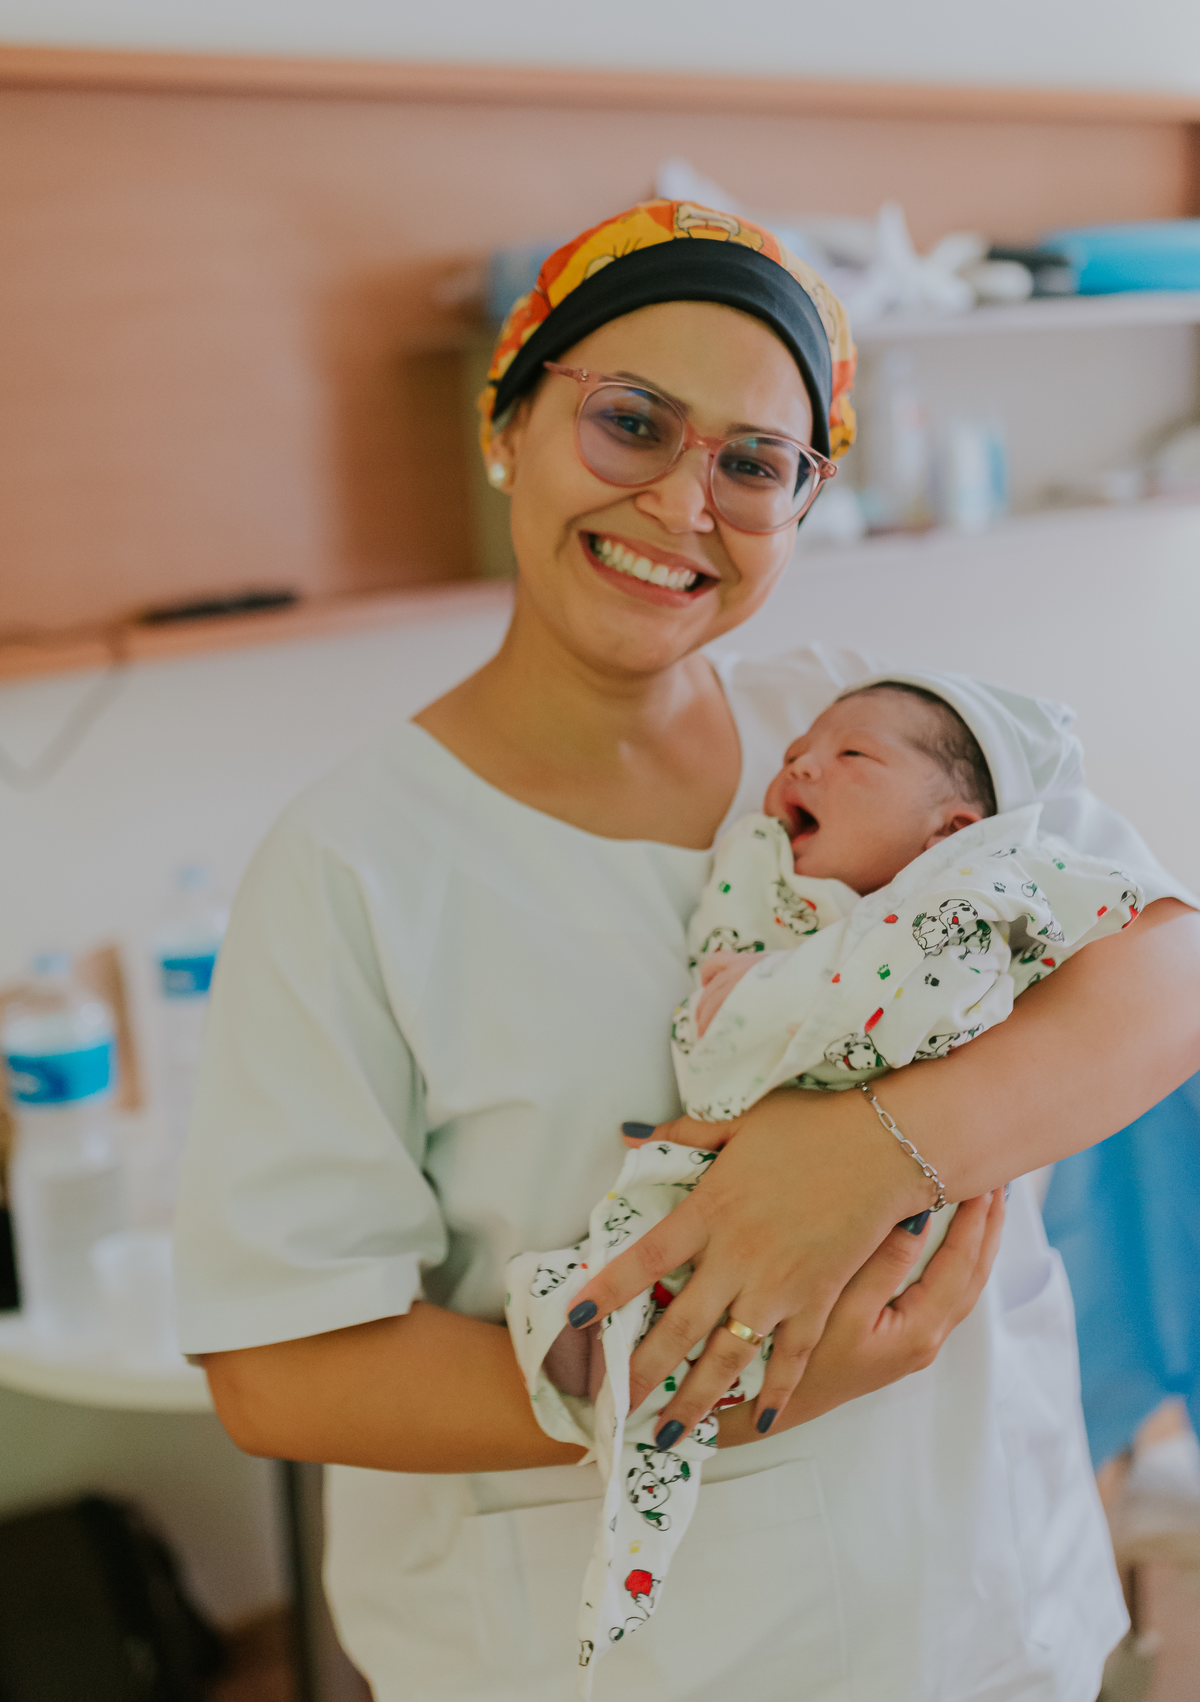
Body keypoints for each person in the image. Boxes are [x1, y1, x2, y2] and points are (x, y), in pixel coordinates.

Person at [174, 200, 1200, 1702]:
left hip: (984, 1611)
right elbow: (280, 1370)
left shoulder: (875, 727)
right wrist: (682, 1392)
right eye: (632, 423)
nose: (683, 503)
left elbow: (1162, 967)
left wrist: (869, 1155)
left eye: (753, 462)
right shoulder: (354, 867)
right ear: (506, 423)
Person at [512, 674, 1143, 1683]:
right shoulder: (780, 902)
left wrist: (758, 1020)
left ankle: (638, 1397)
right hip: (747, 1252)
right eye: (799, 750)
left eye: (851, 758)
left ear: (952, 829)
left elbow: (888, 997)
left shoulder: (962, 910)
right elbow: (716, 1032)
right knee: (607, 1287)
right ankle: (621, 1391)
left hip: (933, 1363)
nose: (801, 762)